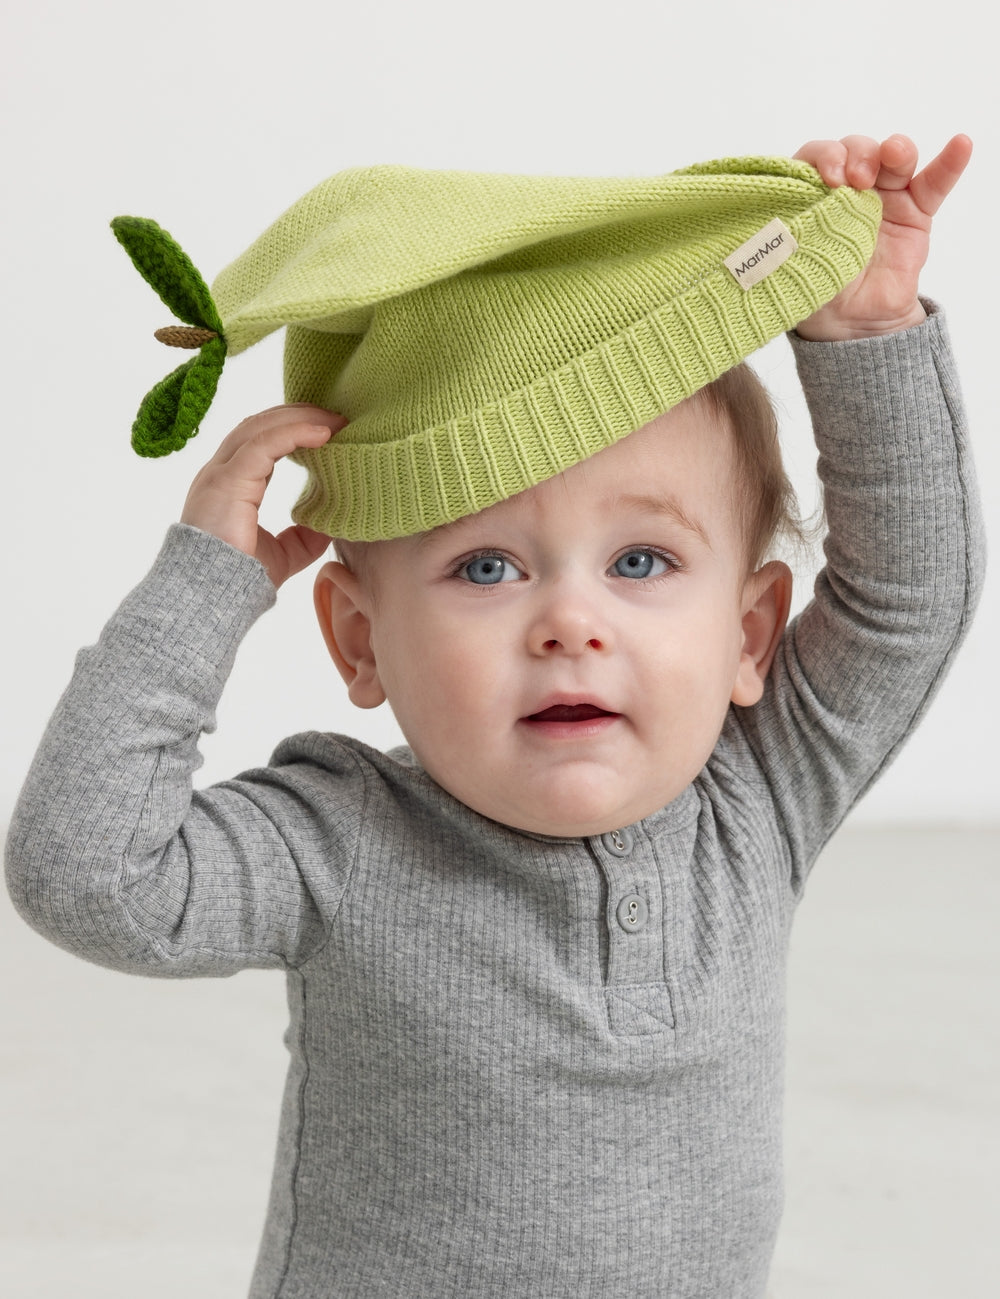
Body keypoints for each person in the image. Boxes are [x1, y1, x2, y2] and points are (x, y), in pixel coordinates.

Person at [5, 134, 983, 1298]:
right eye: (484, 570)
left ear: (747, 635)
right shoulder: (338, 841)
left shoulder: (758, 803)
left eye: (639, 558)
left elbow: (906, 602)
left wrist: (865, 340)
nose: (571, 622)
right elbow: (86, 874)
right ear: (361, 641)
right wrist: (207, 582)